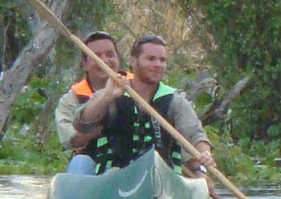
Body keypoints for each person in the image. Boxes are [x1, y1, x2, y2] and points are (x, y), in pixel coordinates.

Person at [74, 34, 216, 177]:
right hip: (115, 178)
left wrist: (204, 153)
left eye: (162, 60)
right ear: (133, 61)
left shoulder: (175, 100)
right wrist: (106, 97)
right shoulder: (111, 93)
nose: (158, 65)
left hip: (162, 179)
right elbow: (82, 124)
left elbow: (195, 134)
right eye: (150, 59)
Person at [55, 31, 129, 174]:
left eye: (110, 54)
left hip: (128, 164)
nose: (105, 61)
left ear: (118, 59)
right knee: (79, 161)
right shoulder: (71, 99)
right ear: (85, 64)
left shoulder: (136, 87)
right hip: (91, 163)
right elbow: (72, 141)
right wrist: (100, 123)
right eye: (97, 56)